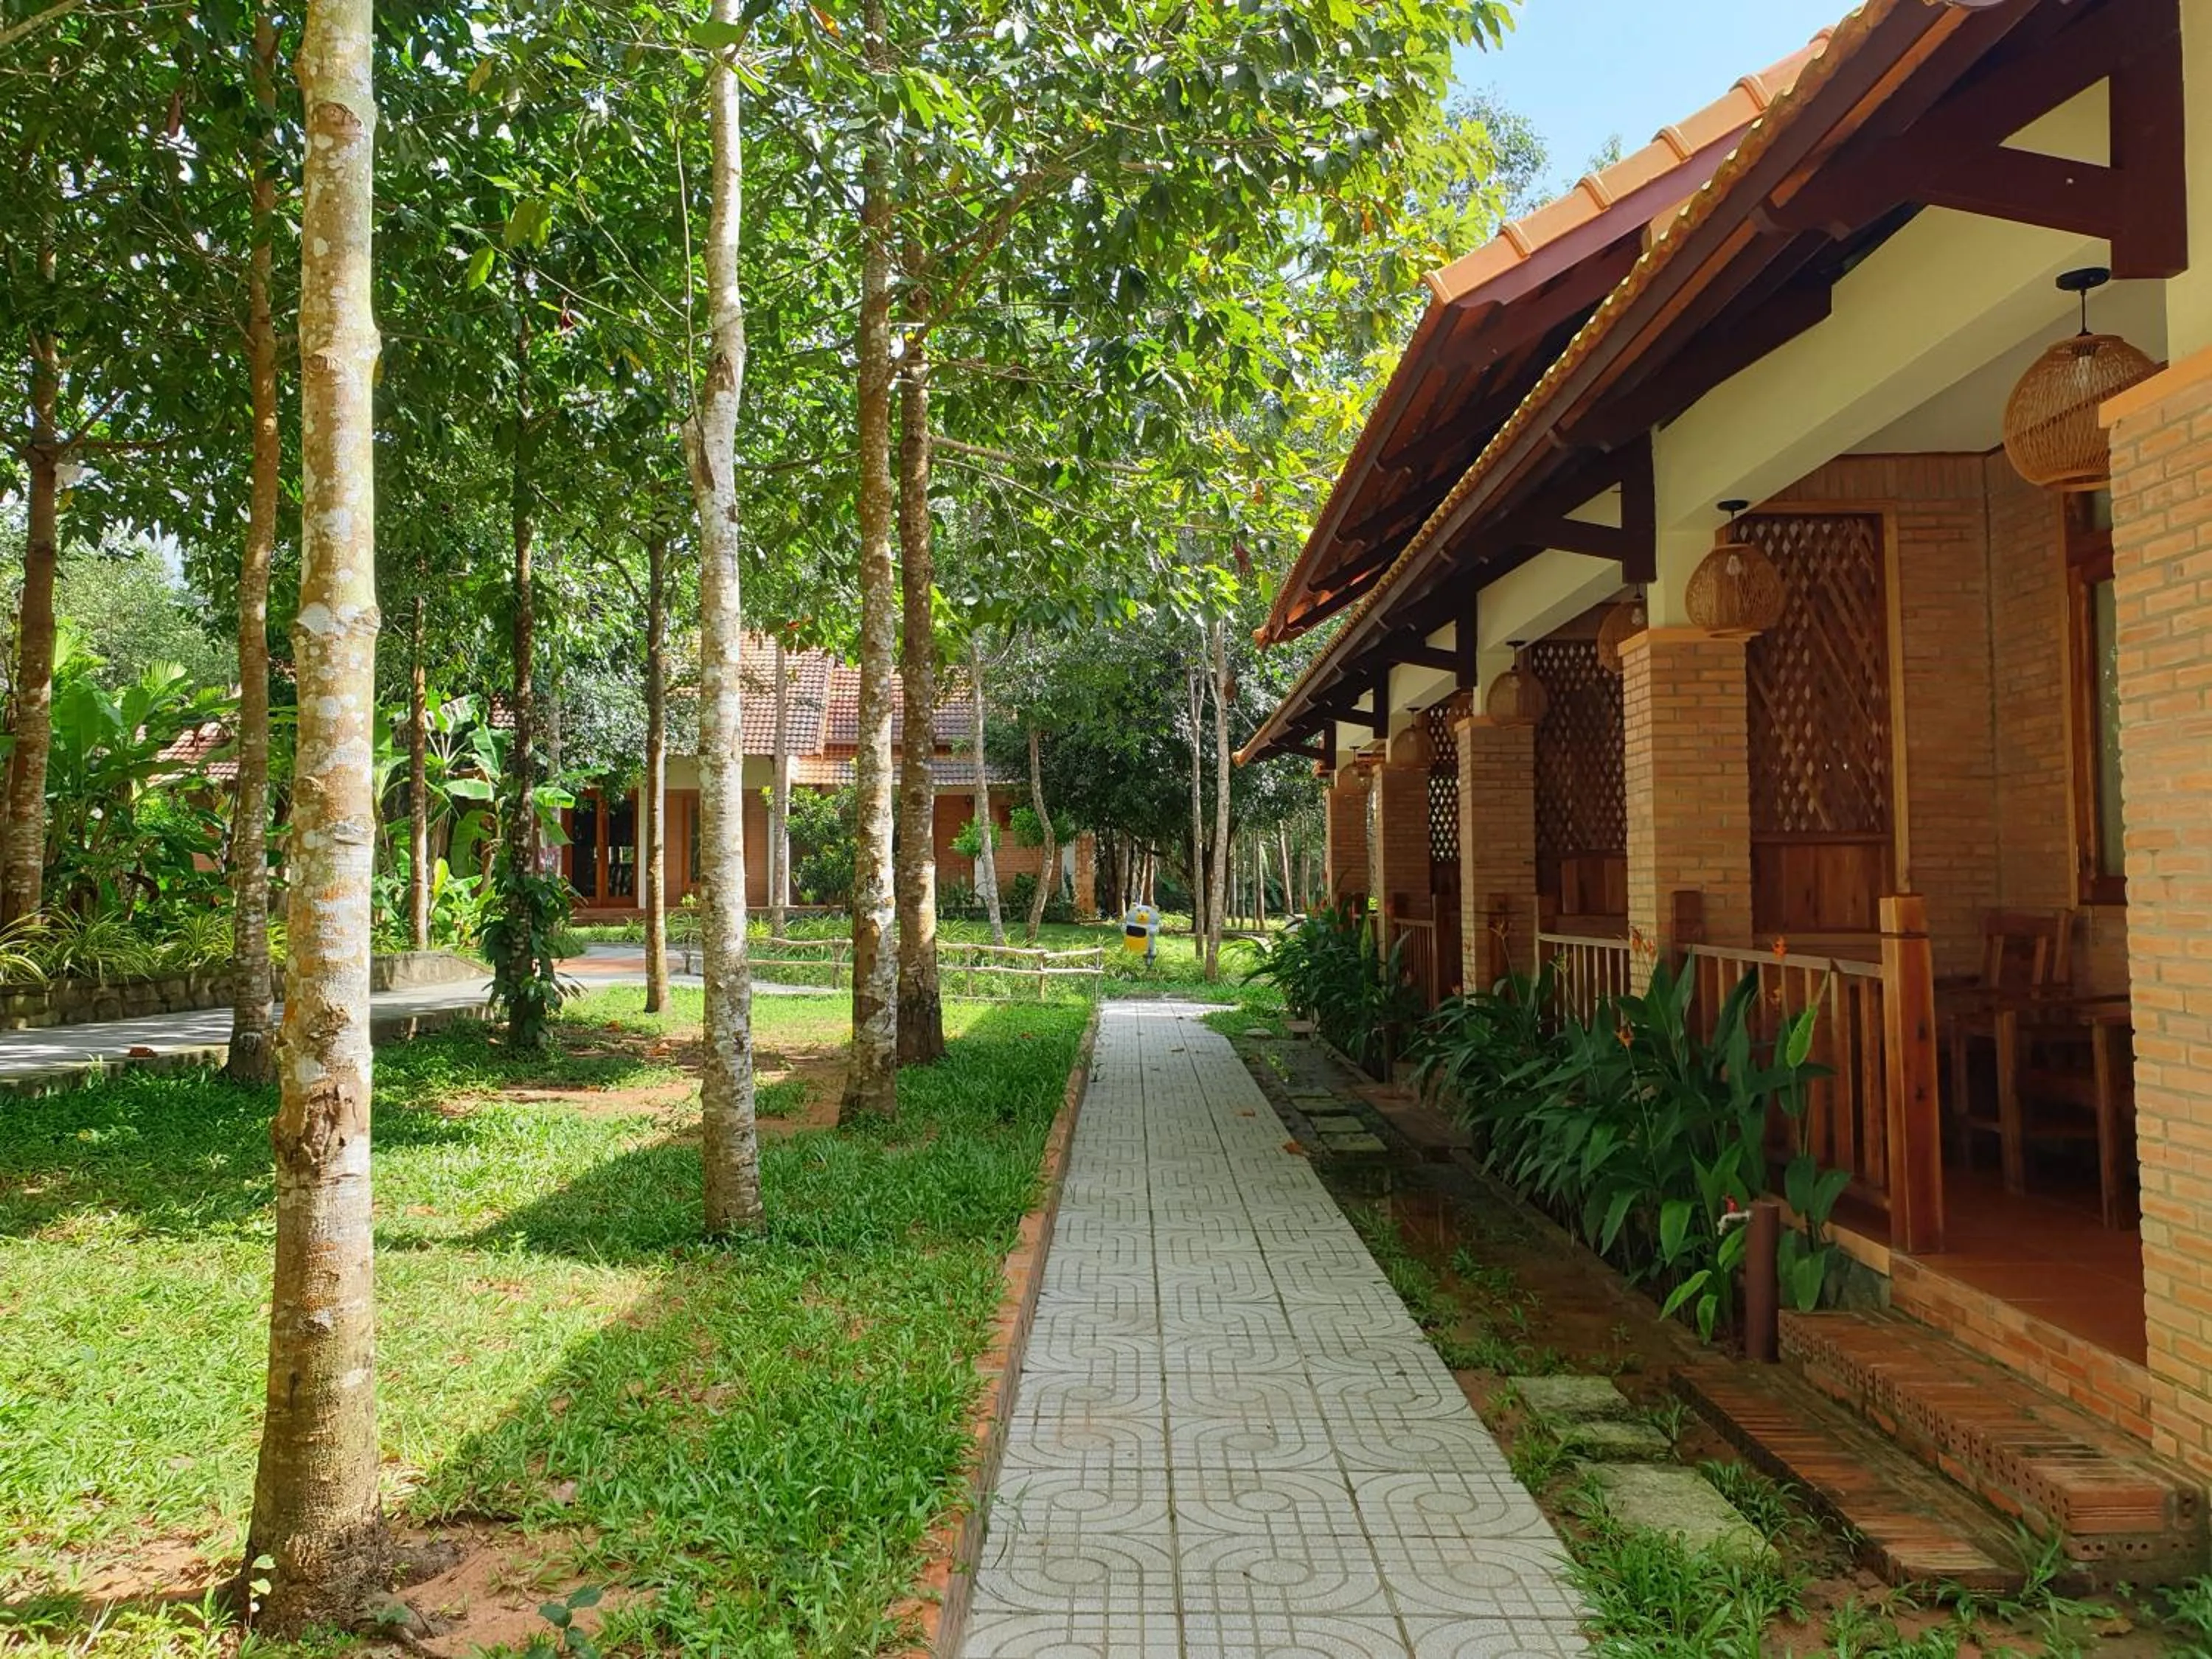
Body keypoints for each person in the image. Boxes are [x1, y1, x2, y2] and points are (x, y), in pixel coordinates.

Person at [1121, 899, 1162, 967]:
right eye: (1139, 911)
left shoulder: (1152, 925)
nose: (1142, 915)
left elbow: (1155, 931)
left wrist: (1152, 931)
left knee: (1147, 954)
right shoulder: (1130, 923)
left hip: (1146, 947)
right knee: (1129, 951)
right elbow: (1124, 929)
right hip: (1131, 944)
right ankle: (1128, 959)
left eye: (1147, 912)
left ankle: (1148, 963)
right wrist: (1124, 928)